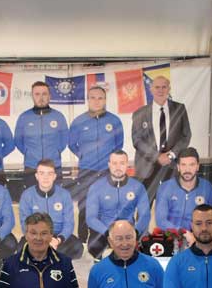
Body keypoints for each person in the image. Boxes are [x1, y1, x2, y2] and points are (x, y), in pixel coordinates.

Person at [69, 85, 125, 240]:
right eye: (93, 98)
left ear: (105, 100)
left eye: (100, 98)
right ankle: (82, 239)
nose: (96, 101)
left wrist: (110, 161)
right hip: (87, 170)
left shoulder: (114, 121)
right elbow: (72, 144)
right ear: (88, 100)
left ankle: (105, 236)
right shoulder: (79, 121)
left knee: (107, 204)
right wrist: (83, 155)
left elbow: (119, 145)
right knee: (84, 205)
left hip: (107, 171)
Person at [131, 75, 192, 201]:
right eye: (157, 87)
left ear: (169, 89)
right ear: (151, 89)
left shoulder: (179, 109)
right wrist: (157, 156)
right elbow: (137, 140)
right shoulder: (139, 113)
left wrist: (171, 155)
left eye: (164, 87)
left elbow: (186, 135)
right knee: (144, 206)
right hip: (147, 166)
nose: (160, 90)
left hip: (171, 166)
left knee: (171, 204)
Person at [84, 150, 149, 259]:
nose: (118, 167)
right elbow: (90, 218)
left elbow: (145, 215)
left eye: (122, 163)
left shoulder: (138, 187)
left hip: (129, 230)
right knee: (95, 245)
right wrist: (108, 233)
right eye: (114, 163)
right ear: (109, 165)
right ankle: (101, 263)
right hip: (105, 230)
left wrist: (135, 232)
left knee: (146, 245)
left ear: (127, 165)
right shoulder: (96, 187)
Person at [18, 159, 83, 259]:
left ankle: (46, 255)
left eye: (49, 173)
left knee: (77, 248)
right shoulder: (27, 195)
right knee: (20, 249)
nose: (46, 177)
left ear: (54, 176)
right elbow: (25, 223)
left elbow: (69, 223)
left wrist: (58, 240)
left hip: (57, 236)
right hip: (36, 236)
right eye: (42, 173)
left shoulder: (64, 195)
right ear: (36, 176)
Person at [15, 81, 69, 185]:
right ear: (32, 96)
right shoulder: (24, 117)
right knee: (31, 194)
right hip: (31, 166)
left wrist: (56, 151)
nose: (41, 97)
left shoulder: (58, 116)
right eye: (37, 94)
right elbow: (18, 141)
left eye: (44, 94)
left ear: (49, 96)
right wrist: (28, 153)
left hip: (54, 166)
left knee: (56, 194)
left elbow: (64, 139)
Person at [154, 148, 212, 234]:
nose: (187, 170)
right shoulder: (165, 187)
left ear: (197, 167)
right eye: (183, 165)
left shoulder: (207, 188)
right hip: (171, 236)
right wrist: (183, 233)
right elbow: (161, 221)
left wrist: (199, 236)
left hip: (199, 237)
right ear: (178, 167)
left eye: (191, 165)